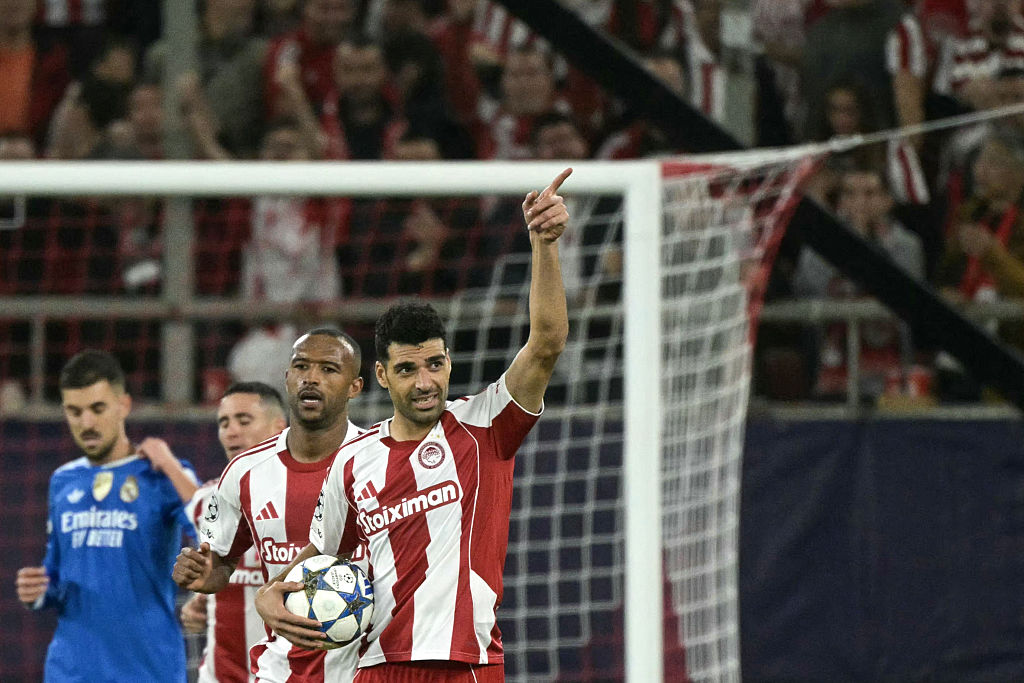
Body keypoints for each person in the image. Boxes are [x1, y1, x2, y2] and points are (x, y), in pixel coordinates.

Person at [255, 168, 573, 681]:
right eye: (407, 370)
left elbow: (547, 342)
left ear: (448, 362)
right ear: (382, 376)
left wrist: (545, 244)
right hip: (377, 667)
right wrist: (270, 594)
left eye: (435, 365)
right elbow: (321, 551)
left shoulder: (485, 424)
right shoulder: (353, 461)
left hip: (466, 665)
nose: (425, 382)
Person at [172, 327, 366, 682]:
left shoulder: (378, 461)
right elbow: (219, 563)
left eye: (328, 369)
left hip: (363, 668)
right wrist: (201, 573)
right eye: (302, 366)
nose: (311, 378)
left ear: (355, 386)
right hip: (281, 669)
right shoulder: (244, 471)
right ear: (287, 377)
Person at [14, 349, 199, 682]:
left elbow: (215, 531)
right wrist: (38, 591)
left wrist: (171, 467)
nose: (86, 423)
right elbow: (56, 573)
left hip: (148, 670)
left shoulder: (161, 474)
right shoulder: (62, 480)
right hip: (71, 671)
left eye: (97, 409)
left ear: (123, 405)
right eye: (75, 411)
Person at [179, 381, 289, 683]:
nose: (231, 431)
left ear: (279, 427)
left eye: (244, 420)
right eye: (224, 423)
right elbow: (216, 577)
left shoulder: (313, 498)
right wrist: (200, 601)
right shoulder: (208, 502)